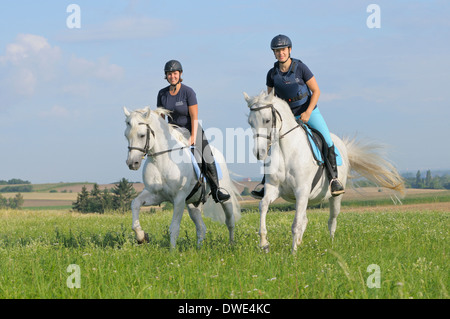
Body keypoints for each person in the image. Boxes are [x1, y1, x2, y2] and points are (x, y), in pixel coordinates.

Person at [251, 35, 345, 199]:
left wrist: (308, 112)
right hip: (287, 117)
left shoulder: (301, 68)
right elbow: (271, 100)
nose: (281, 53)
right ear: (274, 53)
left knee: (327, 140)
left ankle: (334, 179)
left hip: (309, 111)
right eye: (277, 51)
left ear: (289, 50)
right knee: (273, 145)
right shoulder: (272, 74)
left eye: (283, 50)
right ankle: (266, 183)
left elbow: (316, 91)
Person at [157, 60, 230, 203]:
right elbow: (161, 119)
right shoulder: (162, 94)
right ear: (166, 76)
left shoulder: (188, 92)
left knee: (206, 153)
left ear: (180, 74)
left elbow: (194, 116)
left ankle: (216, 190)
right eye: (170, 74)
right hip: (173, 132)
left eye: (175, 73)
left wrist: (193, 137)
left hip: (191, 128)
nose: (172, 76)